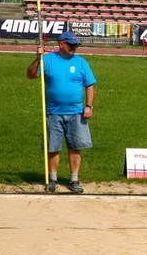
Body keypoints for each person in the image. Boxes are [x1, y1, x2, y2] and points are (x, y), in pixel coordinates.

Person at [26, 31, 97, 193]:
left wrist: (89, 106)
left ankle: (74, 179)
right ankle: (53, 179)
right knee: (53, 147)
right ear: (61, 44)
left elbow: (90, 85)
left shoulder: (81, 62)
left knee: (75, 147)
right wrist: (37, 58)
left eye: (75, 45)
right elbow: (31, 75)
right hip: (53, 112)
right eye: (71, 45)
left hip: (77, 112)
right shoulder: (47, 59)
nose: (74, 48)